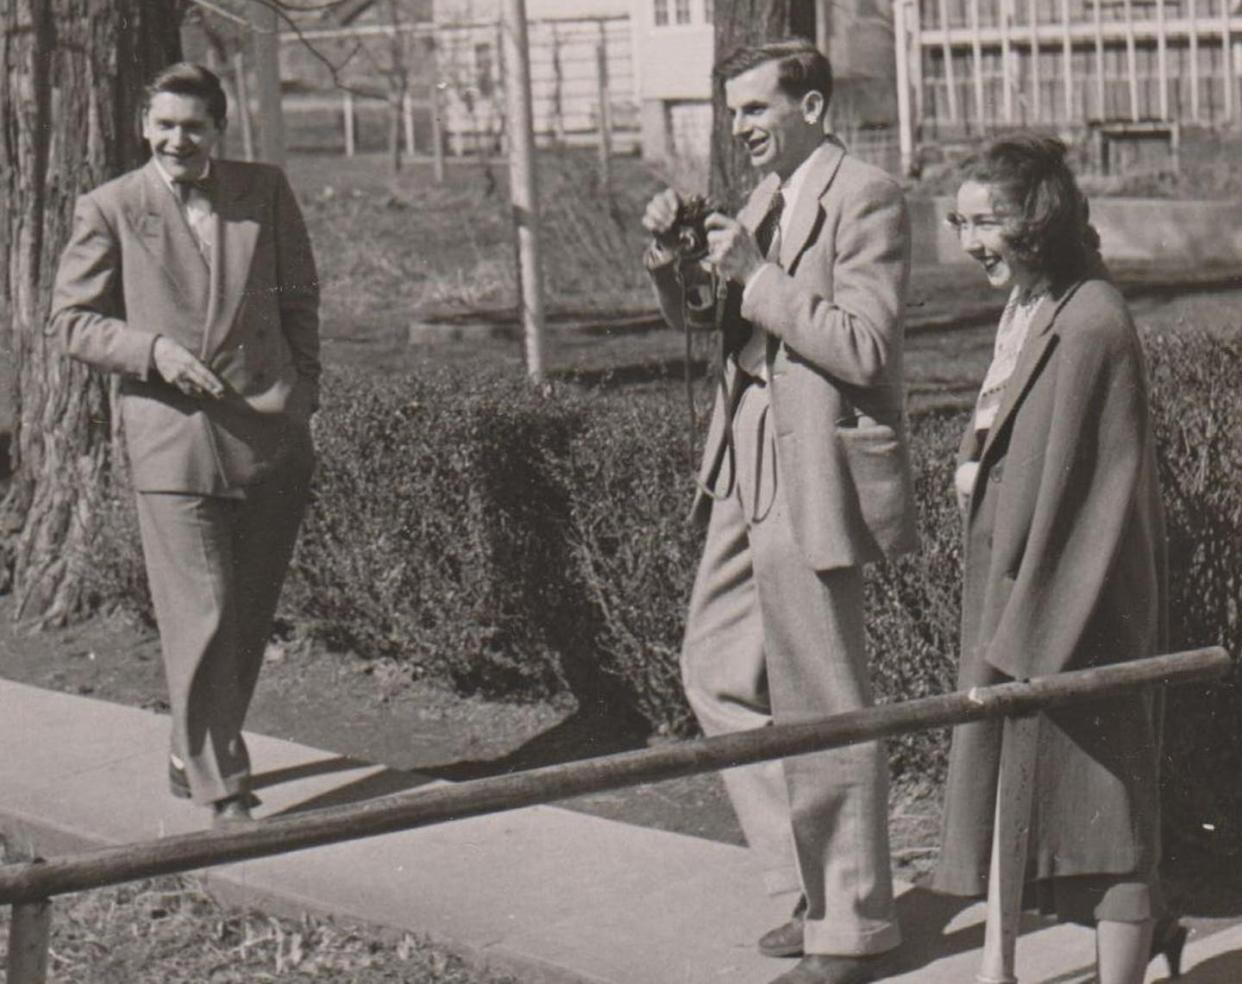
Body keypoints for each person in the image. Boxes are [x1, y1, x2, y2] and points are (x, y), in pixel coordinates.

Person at [642, 38, 918, 984]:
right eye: (733, 114)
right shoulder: (763, 200)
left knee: (825, 693)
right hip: (742, 462)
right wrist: (672, 262)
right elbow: (711, 321)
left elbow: (867, 350)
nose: (741, 128)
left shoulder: (866, 195)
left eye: (756, 109)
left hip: (813, 468)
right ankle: (808, 879)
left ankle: (852, 929)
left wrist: (758, 275)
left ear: (812, 106)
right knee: (713, 670)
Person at [933, 134, 1184, 984]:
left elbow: (1091, 490)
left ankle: (1128, 962)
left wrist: (1025, 635)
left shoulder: (1088, 323)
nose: (970, 243)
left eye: (987, 222)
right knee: (1014, 790)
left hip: (1075, 603)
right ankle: (998, 970)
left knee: (1106, 809)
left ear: (1036, 223)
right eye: (958, 222)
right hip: (1023, 593)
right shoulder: (1035, 309)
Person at [51, 63, 320, 826]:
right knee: (201, 609)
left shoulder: (262, 191)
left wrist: (307, 395)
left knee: (247, 613)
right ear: (144, 127)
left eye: (193, 125)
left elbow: (300, 297)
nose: (177, 138)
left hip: (267, 429)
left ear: (218, 129)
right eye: (164, 123)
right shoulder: (111, 207)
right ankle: (220, 787)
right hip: (172, 437)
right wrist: (153, 353)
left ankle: (188, 747)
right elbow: (70, 321)